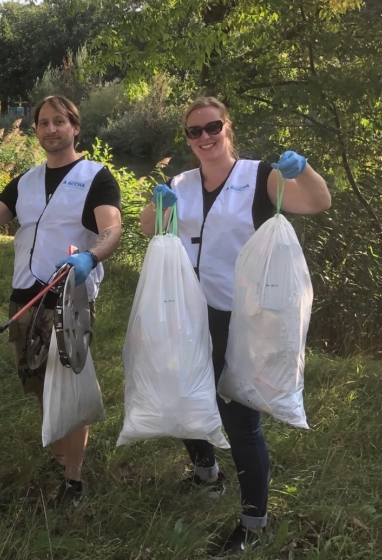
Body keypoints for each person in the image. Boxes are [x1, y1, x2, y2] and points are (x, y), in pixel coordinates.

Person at [140, 96, 331, 556]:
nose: (205, 137)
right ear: (187, 139)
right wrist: (157, 203)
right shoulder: (180, 182)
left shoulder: (258, 174)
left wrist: (301, 171)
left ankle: (253, 521)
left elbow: (319, 201)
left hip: (238, 316)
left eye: (213, 127)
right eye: (194, 132)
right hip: (185, 310)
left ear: (227, 128)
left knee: (239, 420)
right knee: (184, 392)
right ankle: (206, 475)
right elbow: (150, 228)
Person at [0, 95, 123, 509]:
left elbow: (111, 229)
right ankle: (62, 454)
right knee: (39, 383)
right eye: (43, 123)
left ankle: (73, 480)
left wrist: (90, 256)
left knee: (68, 385)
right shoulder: (26, 180)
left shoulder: (96, 176)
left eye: (59, 121)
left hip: (67, 296)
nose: (50, 129)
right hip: (24, 297)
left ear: (75, 127)